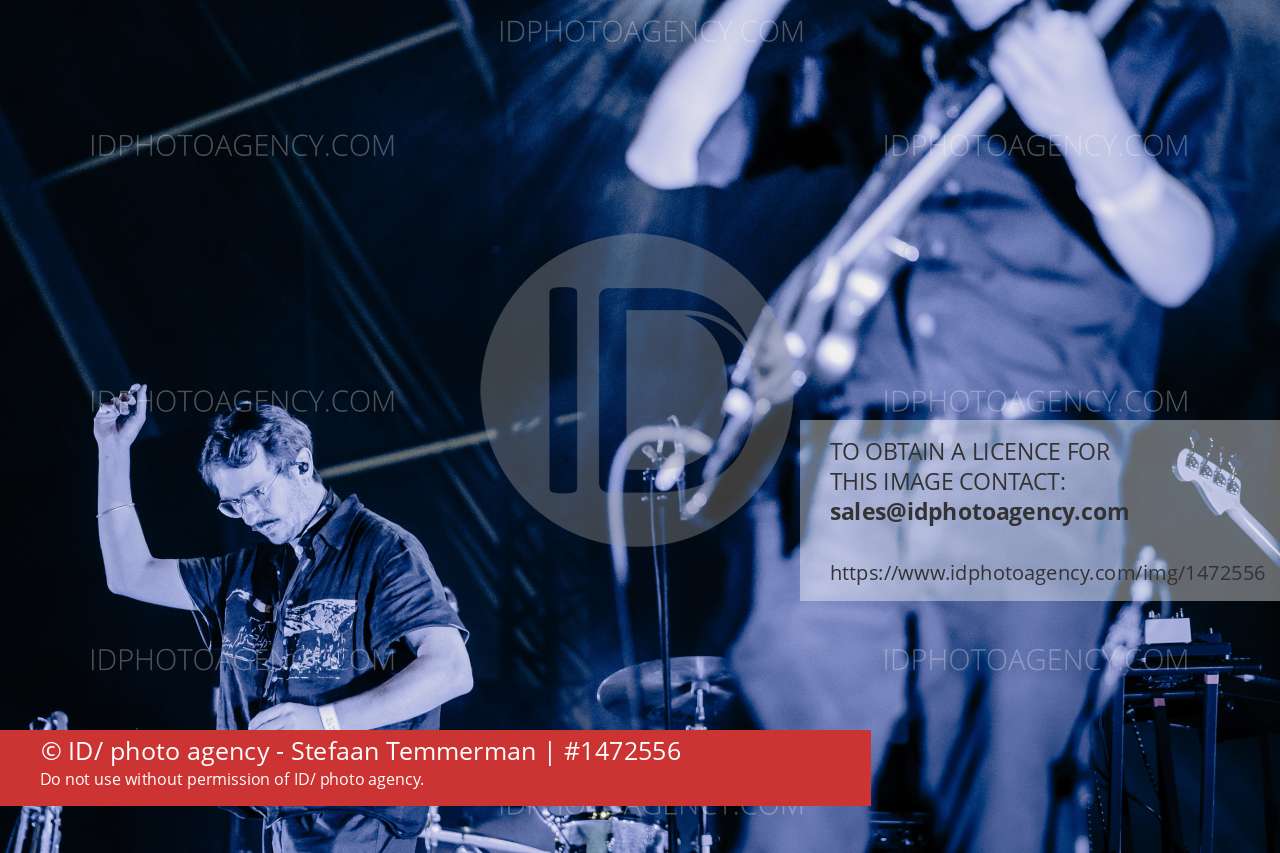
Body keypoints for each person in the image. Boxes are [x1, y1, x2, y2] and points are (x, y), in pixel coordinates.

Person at [628, 0, 1242, 849]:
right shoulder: (885, 43)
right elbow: (663, 152)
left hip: (1033, 467)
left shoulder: (1153, 27)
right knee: (789, 800)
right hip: (856, 461)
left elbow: (1180, 265)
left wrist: (1089, 122)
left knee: (1003, 807)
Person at [93, 387, 473, 853]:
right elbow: (130, 574)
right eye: (234, 504)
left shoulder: (382, 549)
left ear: (301, 465)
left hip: (358, 821)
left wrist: (325, 722)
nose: (250, 514)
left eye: (257, 493)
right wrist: (113, 451)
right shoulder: (248, 571)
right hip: (280, 822)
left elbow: (450, 669)